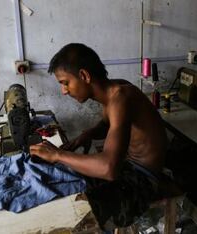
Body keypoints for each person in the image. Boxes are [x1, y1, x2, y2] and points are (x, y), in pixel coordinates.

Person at [29, 43, 168, 230]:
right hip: (128, 166)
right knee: (65, 180)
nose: (64, 91)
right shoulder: (113, 91)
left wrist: (57, 155)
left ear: (84, 76)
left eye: (65, 83)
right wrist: (85, 136)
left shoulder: (121, 98)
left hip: (144, 179)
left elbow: (108, 169)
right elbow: (107, 124)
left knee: (79, 212)